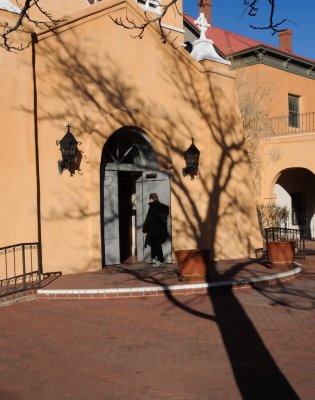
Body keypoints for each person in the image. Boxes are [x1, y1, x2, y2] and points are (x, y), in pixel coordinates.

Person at [142, 193, 169, 267]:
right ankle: (153, 258)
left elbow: (148, 219)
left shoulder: (152, 207)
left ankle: (160, 260)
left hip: (154, 229)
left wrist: (144, 229)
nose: (149, 200)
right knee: (154, 244)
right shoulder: (164, 207)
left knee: (157, 245)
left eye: (150, 198)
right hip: (161, 229)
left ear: (152, 199)